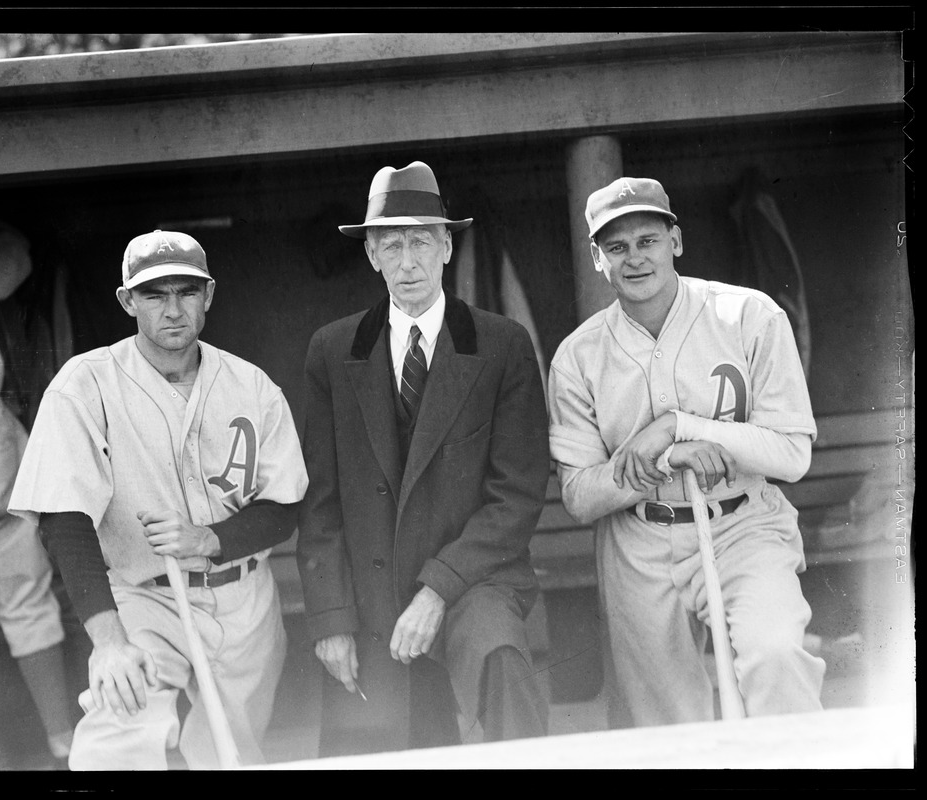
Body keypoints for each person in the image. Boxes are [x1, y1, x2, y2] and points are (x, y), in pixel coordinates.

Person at [9, 230, 308, 769]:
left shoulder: (252, 386)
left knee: (230, 757)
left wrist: (211, 537)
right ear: (127, 301)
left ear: (208, 295)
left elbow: (286, 508)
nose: (173, 310)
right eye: (154, 294)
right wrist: (108, 640)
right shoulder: (85, 384)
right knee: (115, 737)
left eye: (186, 292)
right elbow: (62, 519)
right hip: (145, 596)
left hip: (245, 601)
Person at [548, 177, 826, 727]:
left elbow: (792, 455)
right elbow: (580, 497)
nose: (634, 258)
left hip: (741, 523)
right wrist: (669, 456)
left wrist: (678, 425)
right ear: (596, 258)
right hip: (638, 541)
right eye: (617, 247)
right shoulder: (577, 357)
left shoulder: (749, 316)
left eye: (647, 240)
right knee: (667, 727)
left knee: (775, 658)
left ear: (675, 240)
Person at [297, 161, 550, 756]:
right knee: (376, 751)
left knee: (503, 664)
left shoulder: (502, 344)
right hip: (372, 593)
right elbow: (321, 500)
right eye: (391, 245)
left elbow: (516, 496)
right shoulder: (333, 350)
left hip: (473, 583)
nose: (406, 262)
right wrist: (332, 620)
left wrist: (437, 588)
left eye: (418, 242)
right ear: (371, 256)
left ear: (445, 246)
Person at [0, 212, 75, 762]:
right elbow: (17, 248)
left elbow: (19, 253)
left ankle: (58, 738)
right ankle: (48, 741)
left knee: (21, 581)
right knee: (18, 592)